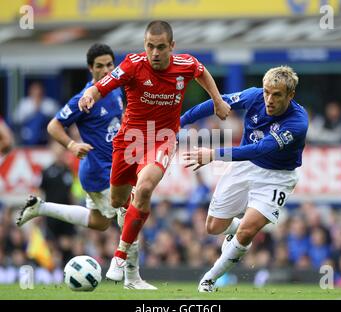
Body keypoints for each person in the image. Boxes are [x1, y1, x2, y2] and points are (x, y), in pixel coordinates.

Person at [78, 21, 231, 274]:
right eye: (150, 46)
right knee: (117, 201)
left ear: (172, 46)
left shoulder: (185, 64)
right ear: (144, 45)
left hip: (162, 138)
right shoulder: (132, 64)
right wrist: (89, 96)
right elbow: (102, 85)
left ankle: (120, 255)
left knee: (146, 186)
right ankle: (134, 208)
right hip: (129, 140)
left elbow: (201, 72)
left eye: (161, 47)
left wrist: (218, 100)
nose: (155, 53)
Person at [16, 43, 156, 290]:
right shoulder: (85, 97)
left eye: (109, 65)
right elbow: (53, 126)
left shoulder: (115, 89)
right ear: (91, 68)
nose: (105, 70)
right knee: (130, 216)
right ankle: (132, 279)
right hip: (101, 172)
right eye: (100, 66)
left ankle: (41, 207)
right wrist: (71, 145)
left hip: (109, 169)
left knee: (100, 222)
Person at [182, 66, 309, 292]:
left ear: (291, 95)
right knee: (213, 227)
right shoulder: (254, 96)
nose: (269, 99)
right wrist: (180, 122)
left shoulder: (297, 123)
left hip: (277, 178)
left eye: (277, 94)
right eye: (267, 92)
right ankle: (240, 230)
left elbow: (259, 149)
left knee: (247, 232)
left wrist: (214, 155)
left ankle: (209, 279)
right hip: (244, 167)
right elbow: (217, 103)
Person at [14, 81, 59, 146]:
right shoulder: (24, 103)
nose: (37, 92)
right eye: (34, 90)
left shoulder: (50, 103)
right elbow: (16, 119)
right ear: (30, 91)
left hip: (46, 134)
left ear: (43, 91)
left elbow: (58, 119)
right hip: (27, 133)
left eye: (38, 90)